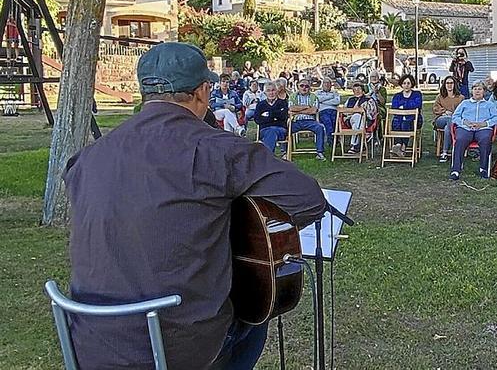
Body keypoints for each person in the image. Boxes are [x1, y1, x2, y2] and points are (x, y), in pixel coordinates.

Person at [62, 42, 327, 369]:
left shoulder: (88, 157)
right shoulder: (216, 149)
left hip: (91, 342)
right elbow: (308, 199)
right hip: (174, 347)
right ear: (203, 92)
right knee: (254, 316)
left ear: (144, 91)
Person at [449, 80, 497, 180]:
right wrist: (465, 122)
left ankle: (483, 169)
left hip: (483, 128)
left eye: (479, 89)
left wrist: (484, 124)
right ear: (472, 91)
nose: (477, 91)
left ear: (484, 91)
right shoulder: (465, 103)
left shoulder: (489, 105)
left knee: (485, 139)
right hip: (466, 128)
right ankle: (456, 170)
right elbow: (455, 117)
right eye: (475, 89)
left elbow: (496, 118)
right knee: (460, 139)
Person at [288, 79, 326, 160]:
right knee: (284, 129)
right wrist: (306, 107)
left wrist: (297, 111)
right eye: (302, 86)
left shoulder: (313, 97)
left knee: (320, 128)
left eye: (306, 86)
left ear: (309, 88)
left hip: (310, 121)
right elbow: (291, 108)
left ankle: (319, 152)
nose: (304, 88)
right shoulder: (293, 96)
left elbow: (313, 110)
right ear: (298, 86)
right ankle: (285, 152)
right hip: (296, 121)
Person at [389, 74, 423, 157]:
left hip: (414, 120)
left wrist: (403, 106)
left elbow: (417, 105)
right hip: (399, 119)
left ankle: (402, 147)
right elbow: (394, 107)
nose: (406, 85)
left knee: (405, 123)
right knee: (396, 122)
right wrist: (407, 107)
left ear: (412, 84)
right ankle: (398, 145)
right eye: (404, 83)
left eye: (408, 83)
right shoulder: (397, 96)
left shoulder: (417, 94)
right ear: (401, 84)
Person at [433, 76, 465, 163]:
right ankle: (454, 148)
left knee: (449, 127)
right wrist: (445, 112)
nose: (449, 85)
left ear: (455, 84)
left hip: (454, 121)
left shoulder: (460, 98)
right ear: (444, 85)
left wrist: (454, 115)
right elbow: (435, 109)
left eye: (451, 83)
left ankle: (444, 152)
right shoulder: (440, 97)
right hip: (440, 119)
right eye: (447, 83)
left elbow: (464, 112)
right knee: (449, 120)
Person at [254, 80, 289, 153]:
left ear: (277, 91)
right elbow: (257, 120)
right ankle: (270, 156)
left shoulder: (283, 103)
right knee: (270, 131)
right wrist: (275, 116)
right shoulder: (260, 105)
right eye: (268, 91)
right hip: (264, 130)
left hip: (280, 130)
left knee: (272, 131)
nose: (271, 93)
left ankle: (268, 156)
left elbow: (284, 117)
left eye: (273, 90)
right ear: (265, 92)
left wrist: (267, 115)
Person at [343, 82, 377, 153]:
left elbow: (373, 112)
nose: (357, 91)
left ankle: (355, 145)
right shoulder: (350, 100)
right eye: (355, 89)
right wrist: (354, 111)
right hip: (350, 120)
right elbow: (344, 112)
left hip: (366, 121)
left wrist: (362, 110)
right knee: (356, 116)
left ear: (363, 90)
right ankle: (364, 137)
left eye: (359, 89)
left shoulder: (368, 99)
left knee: (357, 119)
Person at [316, 78, 341, 149]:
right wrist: (330, 97)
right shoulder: (318, 92)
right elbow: (317, 100)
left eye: (328, 83)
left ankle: (334, 139)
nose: (326, 84)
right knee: (328, 122)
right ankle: (332, 141)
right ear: (322, 84)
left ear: (331, 85)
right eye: (325, 83)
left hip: (334, 111)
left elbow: (337, 102)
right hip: (323, 112)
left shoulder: (335, 92)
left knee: (335, 122)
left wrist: (323, 101)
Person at [367, 70, 388, 137]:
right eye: (372, 76)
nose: (374, 78)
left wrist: (377, 93)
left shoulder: (382, 89)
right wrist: (370, 93)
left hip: (379, 107)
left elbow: (383, 102)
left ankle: (377, 136)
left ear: (379, 78)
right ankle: (367, 135)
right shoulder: (365, 87)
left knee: (376, 114)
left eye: (375, 76)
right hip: (367, 106)